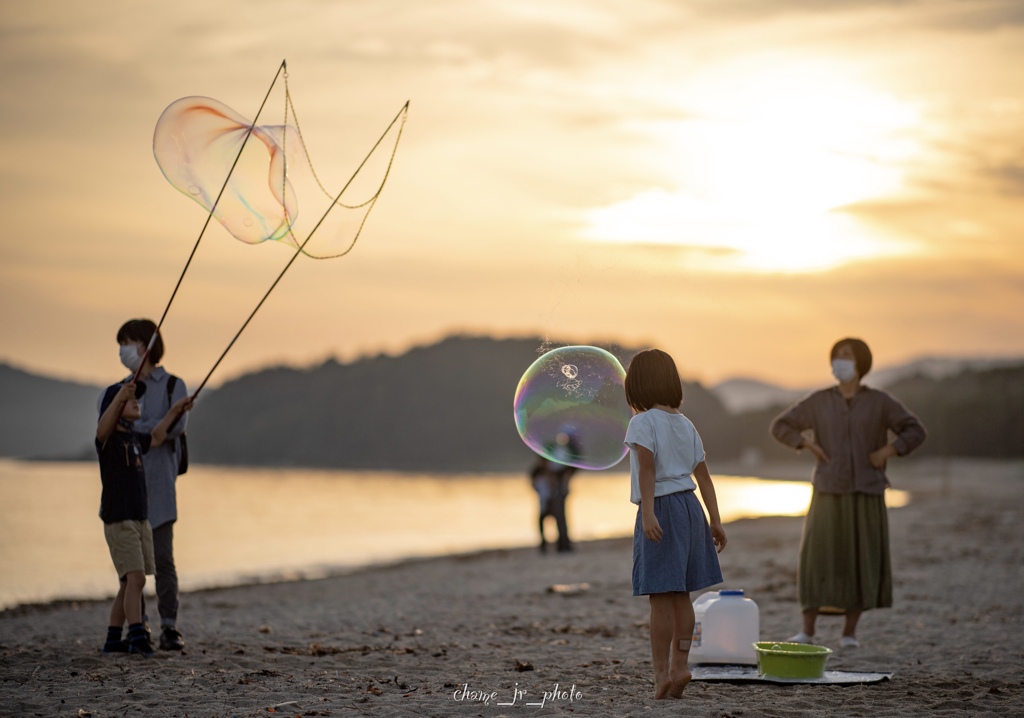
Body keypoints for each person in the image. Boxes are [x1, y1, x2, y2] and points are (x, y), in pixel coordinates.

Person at [770, 337, 926, 648]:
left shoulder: (880, 402)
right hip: (828, 488)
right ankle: (808, 630)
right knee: (817, 559)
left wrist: (889, 451)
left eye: (846, 356)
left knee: (860, 559)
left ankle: (849, 633)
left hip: (867, 490)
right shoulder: (819, 401)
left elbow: (915, 430)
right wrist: (806, 443)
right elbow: (781, 425)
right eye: (836, 356)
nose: (839, 361)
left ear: (860, 363)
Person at [623, 349, 727, 700]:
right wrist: (716, 520)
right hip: (691, 508)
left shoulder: (642, 422)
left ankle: (659, 674)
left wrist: (649, 513)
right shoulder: (686, 424)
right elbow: (705, 478)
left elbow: (648, 469)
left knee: (660, 598)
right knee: (682, 594)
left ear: (637, 386)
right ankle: (681, 665)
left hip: (662, 508)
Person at [96, 380, 192, 656]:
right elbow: (102, 428)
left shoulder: (134, 438)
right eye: (129, 399)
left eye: (136, 398)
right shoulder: (109, 440)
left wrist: (176, 409)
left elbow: (160, 435)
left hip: (140, 519)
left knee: (129, 582)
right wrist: (118, 399)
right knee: (136, 580)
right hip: (119, 519)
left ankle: (113, 639)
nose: (137, 400)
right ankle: (138, 637)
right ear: (114, 408)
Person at [115, 319, 190, 651]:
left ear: (146, 345)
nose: (124, 350)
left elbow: (174, 428)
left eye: (129, 342)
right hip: (129, 486)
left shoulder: (174, 385)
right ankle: (138, 626)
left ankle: (170, 628)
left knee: (162, 560)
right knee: (133, 567)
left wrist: (147, 427)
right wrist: (154, 427)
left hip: (160, 485)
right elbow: (123, 426)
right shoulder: (121, 388)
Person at [528, 437, 577, 554]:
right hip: (545, 500)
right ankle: (544, 545)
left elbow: (568, 476)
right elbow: (533, 483)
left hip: (556, 499)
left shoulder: (557, 470)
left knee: (560, 521)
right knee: (544, 521)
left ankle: (563, 545)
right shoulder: (539, 470)